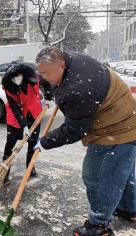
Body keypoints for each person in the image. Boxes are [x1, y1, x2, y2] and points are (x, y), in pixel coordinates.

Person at [35, 47, 136, 236]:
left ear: (61, 65)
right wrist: (52, 93)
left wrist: (45, 142)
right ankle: (129, 208)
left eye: (47, 73)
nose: (44, 77)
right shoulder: (68, 58)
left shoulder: (78, 89)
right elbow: (56, 82)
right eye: (41, 73)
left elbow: (73, 131)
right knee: (123, 172)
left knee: (98, 177)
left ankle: (98, 225)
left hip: (116, 128)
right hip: (128, 118)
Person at [2, 62, 53, 182]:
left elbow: (47, 83)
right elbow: (14, 107)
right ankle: (4, 170)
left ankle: (30, 166)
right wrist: (23, 125)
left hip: (34, 113)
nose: (17, 81)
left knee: (33, 142)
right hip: (16, 117)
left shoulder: (33, 77)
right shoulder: (8, 85)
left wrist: (49, 98)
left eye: (19, 78)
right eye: (15, 79)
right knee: (10, 144)